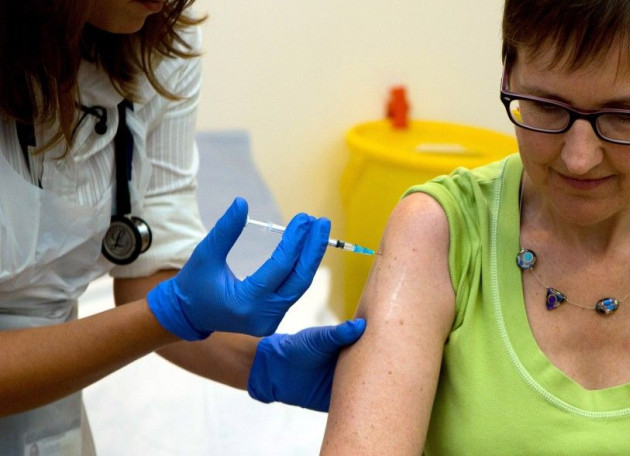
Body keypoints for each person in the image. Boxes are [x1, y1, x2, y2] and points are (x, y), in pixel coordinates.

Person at [320, 0, 630, 454]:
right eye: (546, 106)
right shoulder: (437, 233)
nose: (579, 158)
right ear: (507, 73)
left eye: (625, 117)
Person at [0, 1, 364, 454]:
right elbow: (161, 310)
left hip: (53, 424)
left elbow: (149, 275)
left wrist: (263, 364)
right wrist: (170, 314)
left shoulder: (157, 36)